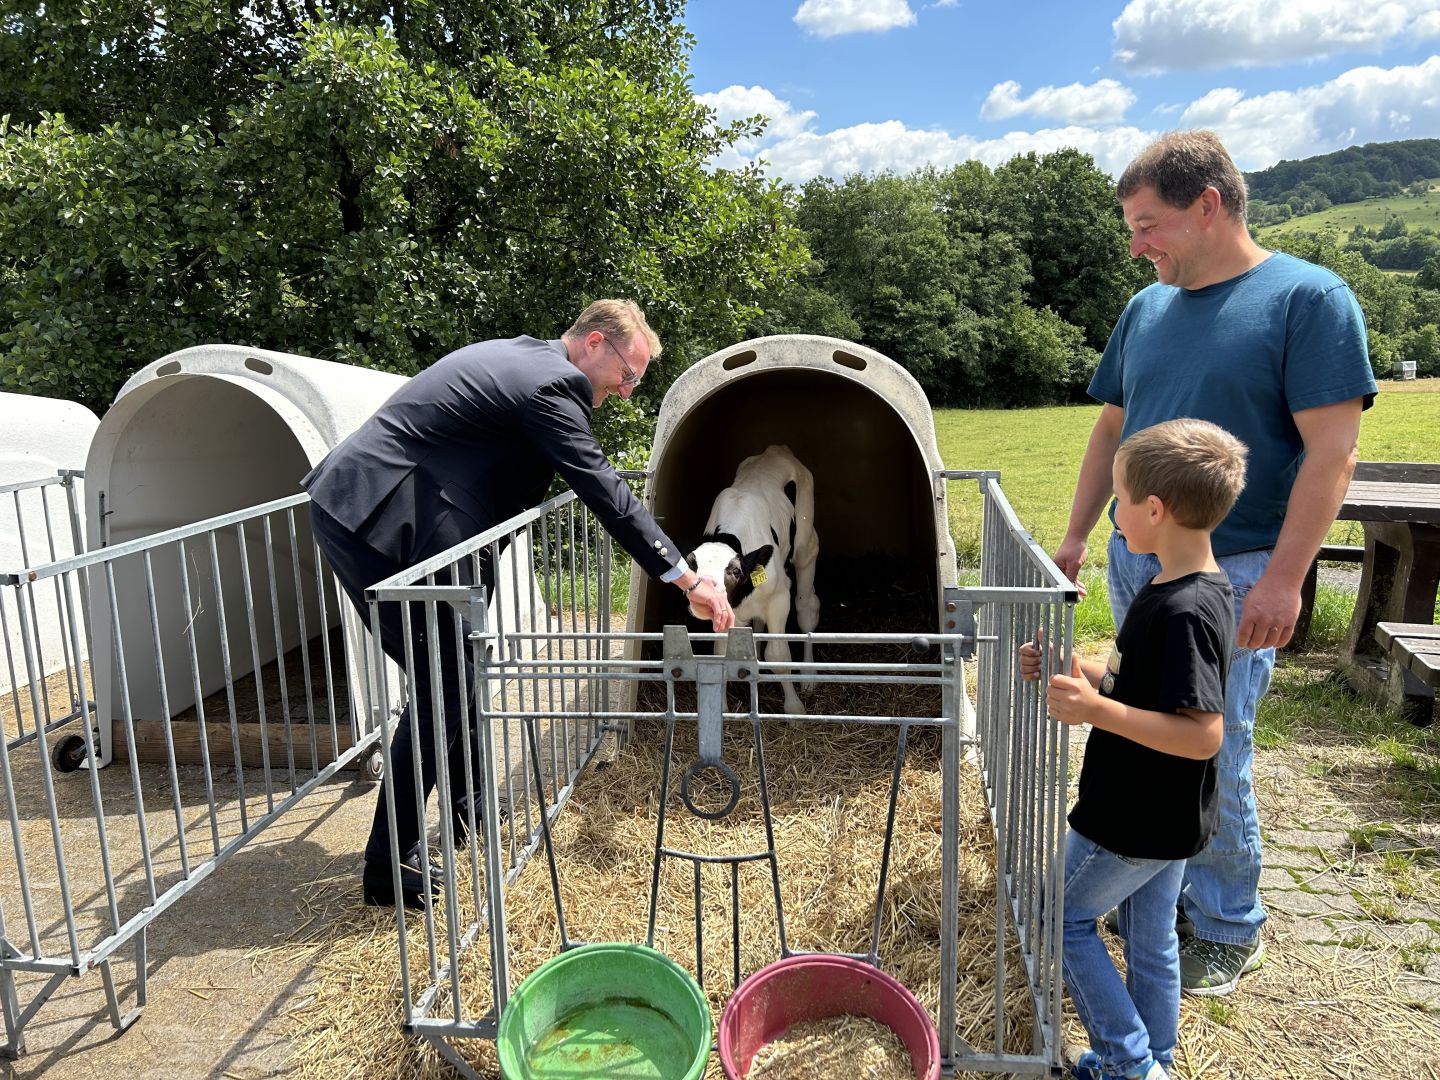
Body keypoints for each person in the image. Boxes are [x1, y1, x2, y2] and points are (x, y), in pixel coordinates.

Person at [1053, 130, 1378, 995]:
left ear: (1209, 206)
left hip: (1234, 573)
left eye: (1147, 223)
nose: (1135, 245)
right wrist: (1081, 534)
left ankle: (1230, 922)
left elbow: (1331, 453)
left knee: (1211, 747)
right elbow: (1112, 429)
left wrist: (1284, 578)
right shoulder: (1146, 309)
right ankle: (1157, 887)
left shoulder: (1308, 298)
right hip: (1136, 560)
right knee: (1148, 726)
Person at [303, 299, 735, 908]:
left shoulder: (528, 359)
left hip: (391, 512)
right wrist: (687, 579)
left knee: (456, 673)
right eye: (629, 374)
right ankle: (388, 867)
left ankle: (465, 812)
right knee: (445, 686)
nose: (628, 391)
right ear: (592, 343)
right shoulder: (551, 384)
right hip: (378, 516)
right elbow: (606, 492)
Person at [1025, 418, 1247, 1080]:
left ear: (1154, 510)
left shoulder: (1187, 610)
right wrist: (1081, 672)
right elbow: (1142, 689)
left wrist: (1096, 711)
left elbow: (1205, 732)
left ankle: (1125, 1061)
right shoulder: (1174, 585)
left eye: (1119, 500)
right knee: (1149, 941)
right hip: (1167, 819)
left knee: (1059, 918)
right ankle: (1157, 1060)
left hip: (1131, 818)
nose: (1113, 512)